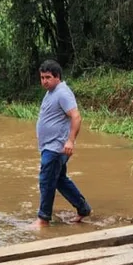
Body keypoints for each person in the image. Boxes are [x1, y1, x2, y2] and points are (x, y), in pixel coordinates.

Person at [31, 60, 91, 228]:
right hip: (50, 147)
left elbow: (76, 117)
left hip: (56, 148)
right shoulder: (51, 92)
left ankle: (43, 219)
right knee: (59, 180)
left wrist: (71, 140)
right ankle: (83, 209)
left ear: (57, 77)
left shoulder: (62, 92)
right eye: (42, 77)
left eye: (48, 77)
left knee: (46, 181)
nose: (44, 81)